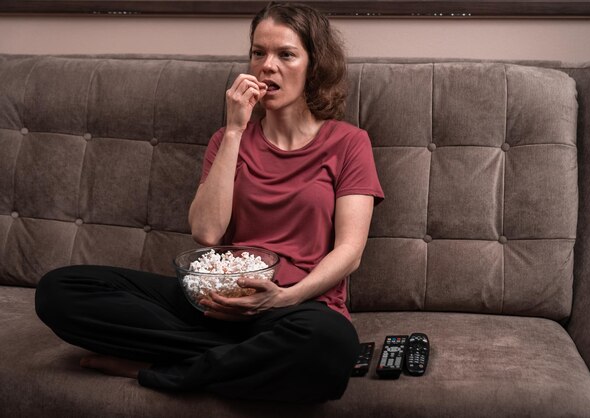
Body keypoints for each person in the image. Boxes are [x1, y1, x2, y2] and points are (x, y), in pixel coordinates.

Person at [35, 2, 384, 403]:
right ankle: (234, 361)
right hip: (215, 301)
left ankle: (157, 367)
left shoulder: (349, 142)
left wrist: (286, 296)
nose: (267, 66)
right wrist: (236, 130)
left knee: (331, 346)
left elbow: (350, 251)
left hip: (295, 307)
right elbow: (206, 232)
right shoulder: (227, 140)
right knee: (60, 290)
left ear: (314, 65)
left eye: (285, 54)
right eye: (258, 53)